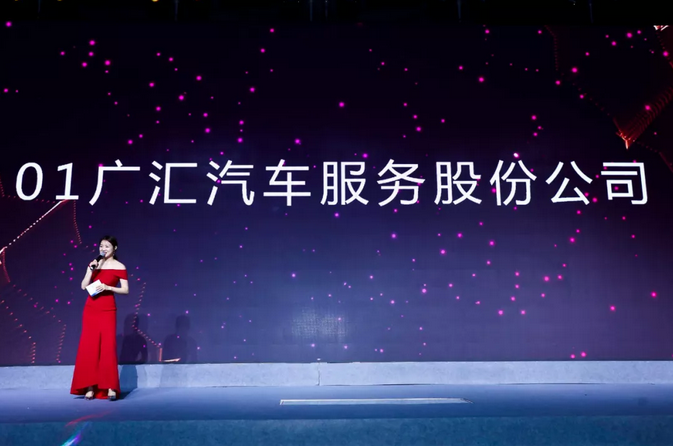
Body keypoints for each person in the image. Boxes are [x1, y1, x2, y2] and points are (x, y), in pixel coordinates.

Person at [70, 236, 129, 400]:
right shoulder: (94, 264)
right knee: (90, 346)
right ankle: (89, 386)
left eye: (107, 246)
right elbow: (84, 286)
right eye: (101, 246)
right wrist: (90, 270)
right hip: (91, 308)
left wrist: (108, 287)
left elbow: (125, 290)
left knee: (108, 346)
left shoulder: (120, 267)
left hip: (108, 309)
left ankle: (110, 387)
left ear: (114, 248)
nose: (103, 249)